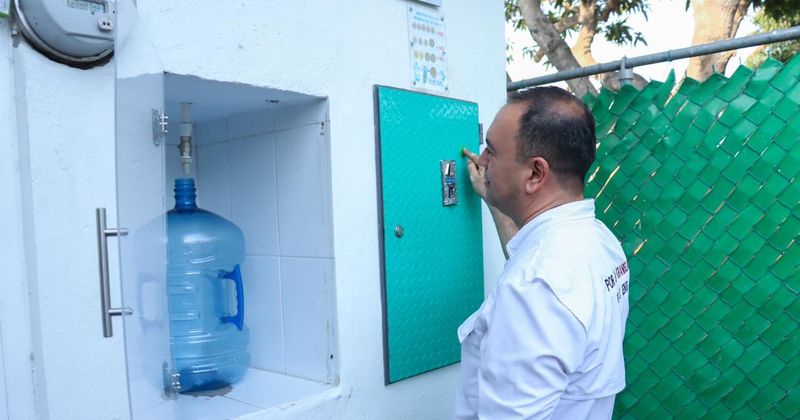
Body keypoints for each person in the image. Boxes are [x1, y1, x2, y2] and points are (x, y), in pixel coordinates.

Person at [454, 86, 630, 419]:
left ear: (535, 173)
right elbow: (530, 255)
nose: (482, 160)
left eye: (491, 150)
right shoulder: (599, 241)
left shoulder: (534, 288)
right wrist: (492, 200)